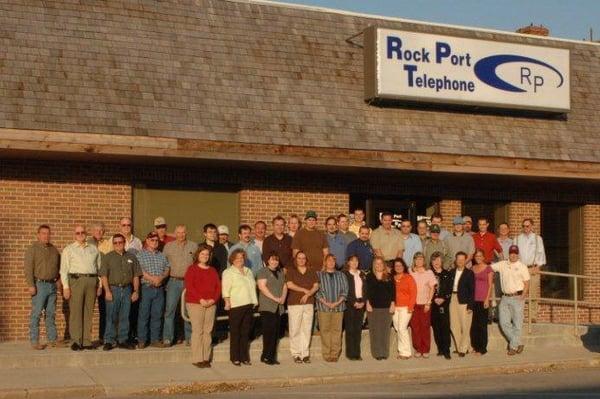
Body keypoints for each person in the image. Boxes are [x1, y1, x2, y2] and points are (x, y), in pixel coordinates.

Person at [60, 225, 102, 351]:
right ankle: (76, 341)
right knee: (76, 312)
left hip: (91, 280)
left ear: (86, 234)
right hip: (76, 281)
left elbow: (99, 269)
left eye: (82, 232)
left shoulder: (94, 249)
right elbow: (63, 270)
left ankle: (86, 341)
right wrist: (66, 287)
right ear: (74, 235)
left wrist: (99, 285)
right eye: (77, 233)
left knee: (89, 311)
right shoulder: (69, 249)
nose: (80, 234)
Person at [99, 233, 141, 351]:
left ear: (124, 243)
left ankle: (123, 340)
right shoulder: (108, 257)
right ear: (113, 244)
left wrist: (136, 291)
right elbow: (104, 276)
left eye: (120, 242)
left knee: (125, 316)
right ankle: (109, 340)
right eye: (115, 243)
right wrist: (107, 291)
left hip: (127, 289)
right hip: (113, 289)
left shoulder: (132, 257)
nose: (118, 244)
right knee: (111, 316)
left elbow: (136, 276)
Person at [25, 224, 61, 350]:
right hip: (39, 285)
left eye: (48, 233)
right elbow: (28, 268)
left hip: (52, 286)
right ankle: (35, 341)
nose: (46, 236)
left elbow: (58, 268)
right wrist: (31, 285)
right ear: (38, 235)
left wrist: (58, 283)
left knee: (51, 313)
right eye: (43, 233)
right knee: (36, 313)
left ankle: (52, 340)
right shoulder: (33, 249)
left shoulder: (54, 249)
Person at [184, 244, 221, 368]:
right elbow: (190, 287)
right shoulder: (192, 269)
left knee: (207, 331)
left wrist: (213, 300)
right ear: (198, 255)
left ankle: (206, 358)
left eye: (207, 254)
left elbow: (218, 288)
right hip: (195, 303)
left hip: (211, 303)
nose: (205, 256)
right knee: (198, 331)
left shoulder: (212, 270)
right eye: (202, 254)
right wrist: (200, 299)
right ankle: (197, 358)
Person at [491, 245, 530, 356]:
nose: (513, 255)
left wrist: (523, 295)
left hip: (517, 297)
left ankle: (513, 347)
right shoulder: (503, 264)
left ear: (517, 254)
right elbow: (490, 267)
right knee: (504, 323)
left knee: (517, 323)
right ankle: (518, 342)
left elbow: (527, 282)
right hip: (504, 297)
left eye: (515, 253)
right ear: (509, 253)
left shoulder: (522, 266)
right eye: (511, 253)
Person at [162, 225, 197, 347]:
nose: (181, 235)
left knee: (188, 311)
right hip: (173, 281)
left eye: (183, 232)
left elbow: (197, 264)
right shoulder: (168, 247)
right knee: (170, 310)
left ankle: (189, 338)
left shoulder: (193, 246)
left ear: (186, 233)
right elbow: (163, 264)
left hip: (188, 282)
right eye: (178, 232)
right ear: (175, 233)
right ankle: (168, 338)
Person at [222, 249, 258, 366]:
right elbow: (226, 289)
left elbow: (252, 287)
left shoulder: (248, 271)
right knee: (235, 332)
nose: (239, 260)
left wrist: (254, 302)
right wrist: (227, 302)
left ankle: (244, 357)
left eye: (242, 258)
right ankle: (234, 357)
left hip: (248, 304)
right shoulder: (228, 272)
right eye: (237, 258)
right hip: (235, 305)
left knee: (245, 332)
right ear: (232, 259)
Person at [136, 232, 170, 349]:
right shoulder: (140, 255)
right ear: (147, 241)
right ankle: (142, 340)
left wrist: (161, 277)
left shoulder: (162, 255)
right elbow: (140, 270)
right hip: (146, 288)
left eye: (156, 240)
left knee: (157, 315)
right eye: (152, 240)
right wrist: (152, 278)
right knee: (144, 315)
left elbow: (167, 269)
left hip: (159, 289)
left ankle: (155, 339)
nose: (154, 242)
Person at [285, 251, 319, 363]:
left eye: (303, 258)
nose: (301, 260)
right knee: (295, 329)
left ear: (306, 260)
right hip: (295, 303)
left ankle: (305, 354)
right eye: (299, 258)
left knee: (306, 328)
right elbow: (289, 284)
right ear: (296, 259)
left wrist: (308, 294)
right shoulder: (291, 271)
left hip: (309, 303)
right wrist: (304, 290)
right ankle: (296, 354)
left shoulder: (311, 271)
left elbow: (316, 285)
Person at [316, 254, 348, 362]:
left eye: (333, 261)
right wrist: (326, 303)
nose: (331, 263)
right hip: (323, 307)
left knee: (337, 330)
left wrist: (337, 303)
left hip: (338, 308)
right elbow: (316, 291)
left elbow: (345, 291)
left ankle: (335, 354)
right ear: (325, 262)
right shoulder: (319, 275)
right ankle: (326, 354)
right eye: (328, 261)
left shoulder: (341, 275)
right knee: (325, 330)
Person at [256, 253, 287, 365]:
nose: (274, 262)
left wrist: (283, 298)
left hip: (279, 306)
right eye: (272, 260)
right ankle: (267, 357)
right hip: (267, 306)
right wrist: (274, 298)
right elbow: (262, 287)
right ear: (268, 261)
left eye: (276, 260)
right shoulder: (263, 271)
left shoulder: (280, 272)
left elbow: (284, 286)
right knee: (268, 332)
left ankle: (270, 356)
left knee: (275, 333)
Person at [514, 218, 546, 322]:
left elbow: (541, 253)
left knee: (533, 293)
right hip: (521, 269)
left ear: (532, 226)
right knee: (520, 293)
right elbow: (514, 255)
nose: (525, 228)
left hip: (533, 269)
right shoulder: (517, 239)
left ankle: (533, 316)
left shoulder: (537, 238)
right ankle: (520, 316)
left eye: (527, 226)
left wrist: (538, 266)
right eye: (523, 226)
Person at [366, 256, 396, 360]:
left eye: (380, 263)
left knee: (385, 331)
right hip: (373, 308)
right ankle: (376, 353)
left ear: (383, 265)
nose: (378, 265)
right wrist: (367, 303)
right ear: (374, 265)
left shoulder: (389, 276)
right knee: (375, 331)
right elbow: (366, 291)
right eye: (376, 263)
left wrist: (393, 303)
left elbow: (393, 291)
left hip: (386, 308)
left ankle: (384, 352)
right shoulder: (369, 276)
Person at [409, 252, 436, 358]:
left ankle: (425, 349)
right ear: (414, 260)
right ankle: (418, 349)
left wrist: (429, 302)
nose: (419, 261)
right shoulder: (410, 272)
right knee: (415, 327)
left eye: (421, 259)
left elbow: (432, 288)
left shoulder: (429, 272)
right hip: (413, 304)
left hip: (425, 304)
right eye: (417, 259)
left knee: (425, 327)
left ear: (424, 261)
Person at [449, 252, 475, 357]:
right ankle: (461, 346)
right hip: (453, 299)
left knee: (465, 325)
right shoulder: (451, 272)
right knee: (454, 325)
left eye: (462, 259)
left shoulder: (469, 273)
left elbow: (472, 290)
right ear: (455, 260)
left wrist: (470, 305)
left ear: (465, 261)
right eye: (458, 259)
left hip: (464, 300)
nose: (460, 261)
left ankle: (463, 349)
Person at [391, 258, 416, 360]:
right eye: (396, 266)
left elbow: (414, 293)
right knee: (398, 328)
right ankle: (402, 350)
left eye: (400, 265)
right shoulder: (391, 278)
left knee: (402, 328)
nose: (398, 267)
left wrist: (411, 307)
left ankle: (406, 352)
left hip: (406, 307)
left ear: (403, 266)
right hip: (395, 307)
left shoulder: (409, 277)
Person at [470, 249, 494, 355]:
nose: (478, 257)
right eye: (476, 256)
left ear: (483, 257)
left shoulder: (488, 268)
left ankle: (482, 348)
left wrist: (487, 299)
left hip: (482, 300)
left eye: (480, 256)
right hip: (473, 300)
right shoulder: (472, 268)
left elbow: (490, 285)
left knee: (482, 325)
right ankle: (475, 346)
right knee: (474, 325)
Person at [343, 255, 367, 361]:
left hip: (361, 303)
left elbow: (366, 289)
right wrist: (353, 302)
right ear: (348, 262)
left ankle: (357, 353)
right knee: (350, 329)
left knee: (358, 329)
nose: (354, 263)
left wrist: (363, 302)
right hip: (350, 304)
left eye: (356, 261)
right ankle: (350, 353)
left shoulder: (362, 274)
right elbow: (345, 290)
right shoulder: (345, 274)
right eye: (352, 261)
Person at [430, 252, 452, 359]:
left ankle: (446, 350)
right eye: (434, 260)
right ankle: (440, 349)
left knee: (445, 327)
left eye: (438, 260)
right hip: (433, 304)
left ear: (442, 261)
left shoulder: (447, 274)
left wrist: (443, 298)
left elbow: (449, 289)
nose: (436, 262)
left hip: (444, 303)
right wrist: (434, 299)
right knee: (436, 327)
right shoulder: (429, 273)